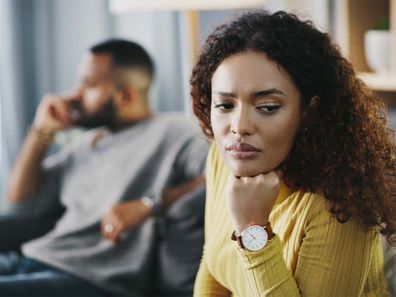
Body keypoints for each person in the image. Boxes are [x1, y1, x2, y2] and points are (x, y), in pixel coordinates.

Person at [190, 10, 396, 296]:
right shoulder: (222, 157)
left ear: (309, 112)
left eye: (267, 107)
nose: (239, 127)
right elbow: (213, 268)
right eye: (225, 105)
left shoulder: (338, 204)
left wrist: (253, 227)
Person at [0, 39, 208, 296]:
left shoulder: (175, 131)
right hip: (31, 260)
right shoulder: (88, 142)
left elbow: (221, 176)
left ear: (126, 95)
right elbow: (18, 205)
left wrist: (149, 203)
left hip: (87, 279)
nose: (75, 94)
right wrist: (41, 132)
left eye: (88, 84)